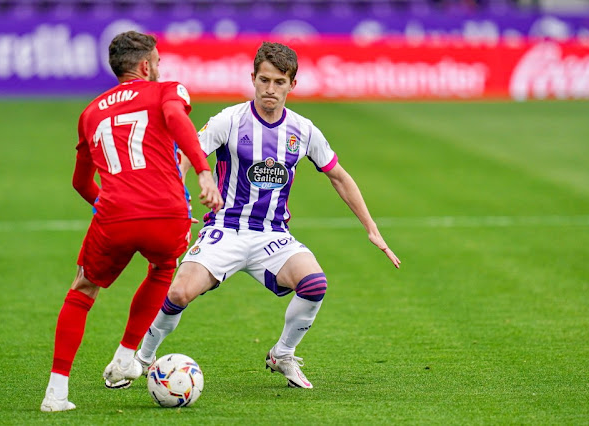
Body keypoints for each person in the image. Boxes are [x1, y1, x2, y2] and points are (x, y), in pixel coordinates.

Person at [113, 41, 400, 390]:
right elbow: (186, 156)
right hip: (226, 228)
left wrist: (372, 228)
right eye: (264, 80)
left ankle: (282, 354)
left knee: (314, 285)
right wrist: (182, 199)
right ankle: (141, 358)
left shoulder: (303, 130)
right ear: (253, 78)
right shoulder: (229, 120)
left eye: (279, 82)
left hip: (272, 235)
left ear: (292, 85)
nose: (270, 89)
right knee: (179, 293)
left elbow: (338, 175)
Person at [39, 31, 223, 412]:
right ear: (145, 65)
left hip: (115, 215)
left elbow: (79, 182)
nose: (160, 66)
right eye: (156, 60)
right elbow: (175, 117)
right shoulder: (168, 91)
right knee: (163, 267)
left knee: (83, 289)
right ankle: (126, 355)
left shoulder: (90, 113)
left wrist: (105, 206)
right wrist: (204, 172)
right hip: (167, 213)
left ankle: (56, 394)